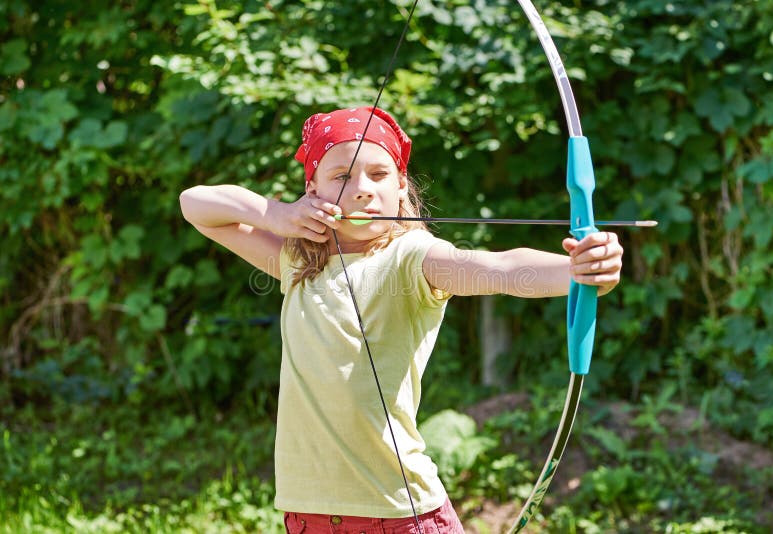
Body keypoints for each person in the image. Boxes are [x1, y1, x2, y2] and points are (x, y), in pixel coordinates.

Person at [179, 106, 623, 533]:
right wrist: (276, 214)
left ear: (401, 187)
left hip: (399, 513)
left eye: (378, 174)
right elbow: (195, 205)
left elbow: (498, 268)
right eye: (341, 176)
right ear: (311, 189)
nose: (362, 189)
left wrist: (578, 272)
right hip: (309, 513)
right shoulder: (297, 261)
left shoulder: (411, 257)